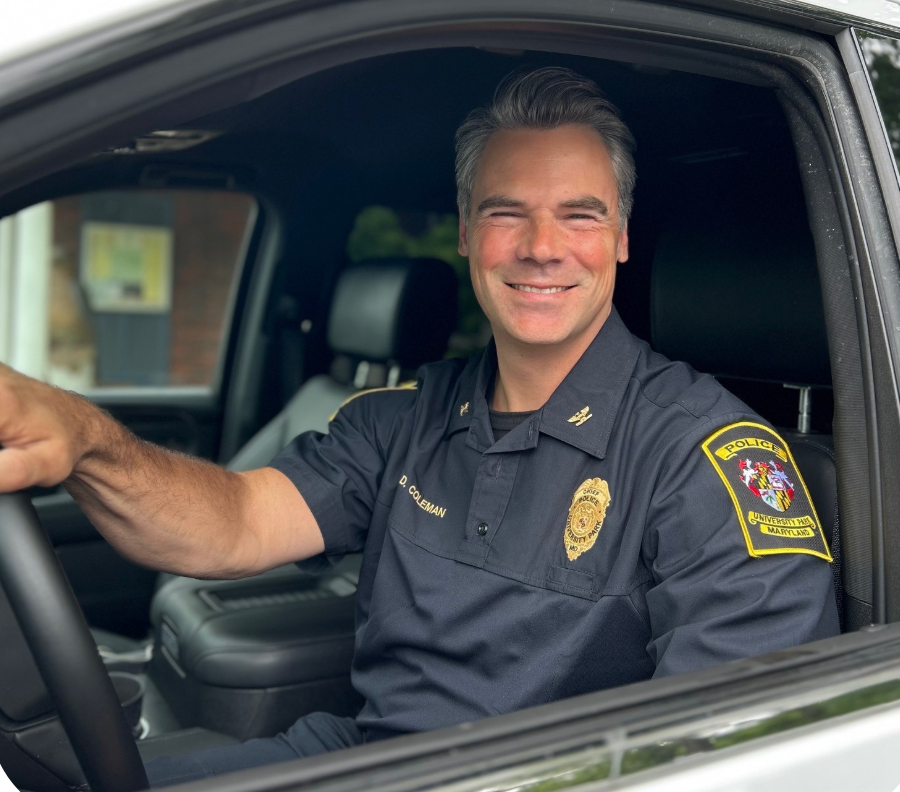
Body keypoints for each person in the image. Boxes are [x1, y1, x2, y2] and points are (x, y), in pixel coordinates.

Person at [0, 67, 839, 785]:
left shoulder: (707, 459)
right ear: (468, 233)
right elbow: (234, 522)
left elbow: (737, 753)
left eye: (580, 215)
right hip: (363, 758)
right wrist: (84, 439)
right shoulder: (405, 416)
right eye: (507, 212)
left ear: (620, 238)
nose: (541, 246)